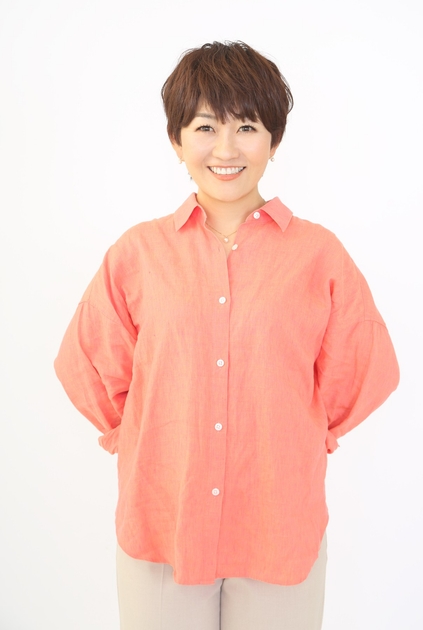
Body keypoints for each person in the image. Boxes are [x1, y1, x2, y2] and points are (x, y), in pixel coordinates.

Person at [54, 40, 400, 630]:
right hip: (163, 522)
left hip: (278, 525)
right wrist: (145, 433)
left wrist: (298, 432)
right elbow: (88, 360)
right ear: (176, 140)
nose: (226, 149)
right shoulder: (138, 253)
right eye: (205, 127)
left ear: (273, 140)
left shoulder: (319, 256)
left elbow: (362, 367)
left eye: (246, 127)